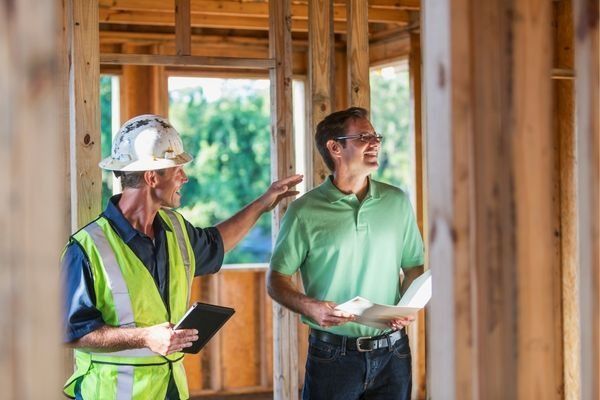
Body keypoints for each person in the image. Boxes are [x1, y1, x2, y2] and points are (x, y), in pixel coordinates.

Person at [62, 114, 302, 400]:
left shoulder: (176, 229)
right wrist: (145, 337)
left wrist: (263, 203)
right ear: (152, 177)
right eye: (177, 170)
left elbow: (216, 243)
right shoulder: (87, 247)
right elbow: (73, 332)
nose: (184, 178)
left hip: (170, 388)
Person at [267, 107, 424, 400]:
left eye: (375, 135)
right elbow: (276, 280)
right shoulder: (304, 212)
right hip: (332, 356)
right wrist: (309, 306)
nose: (375, 142)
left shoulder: (397, 202)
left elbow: (414, 266)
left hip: (394, 353)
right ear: (335, 147)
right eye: (363, 137)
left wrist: (406, 306)